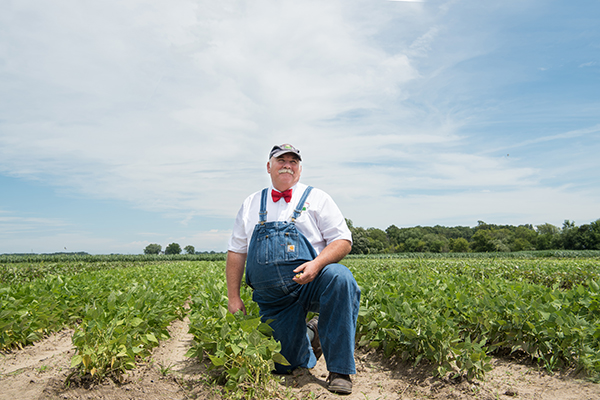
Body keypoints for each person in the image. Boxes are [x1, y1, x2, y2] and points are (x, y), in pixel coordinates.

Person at [226, 144, 361, 394]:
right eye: (281, 160)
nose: (287, 164)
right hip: (274, 298)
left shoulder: (317, 198)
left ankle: (340, 369)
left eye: (293, 161)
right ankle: (314, 333)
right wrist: (233, 297)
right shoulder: (251, 203)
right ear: (269, 166)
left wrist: (317, 263)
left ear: (299, 169)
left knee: (340, 277)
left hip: (312, 282)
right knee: (285, 364)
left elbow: (343, 241)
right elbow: (236, 251)